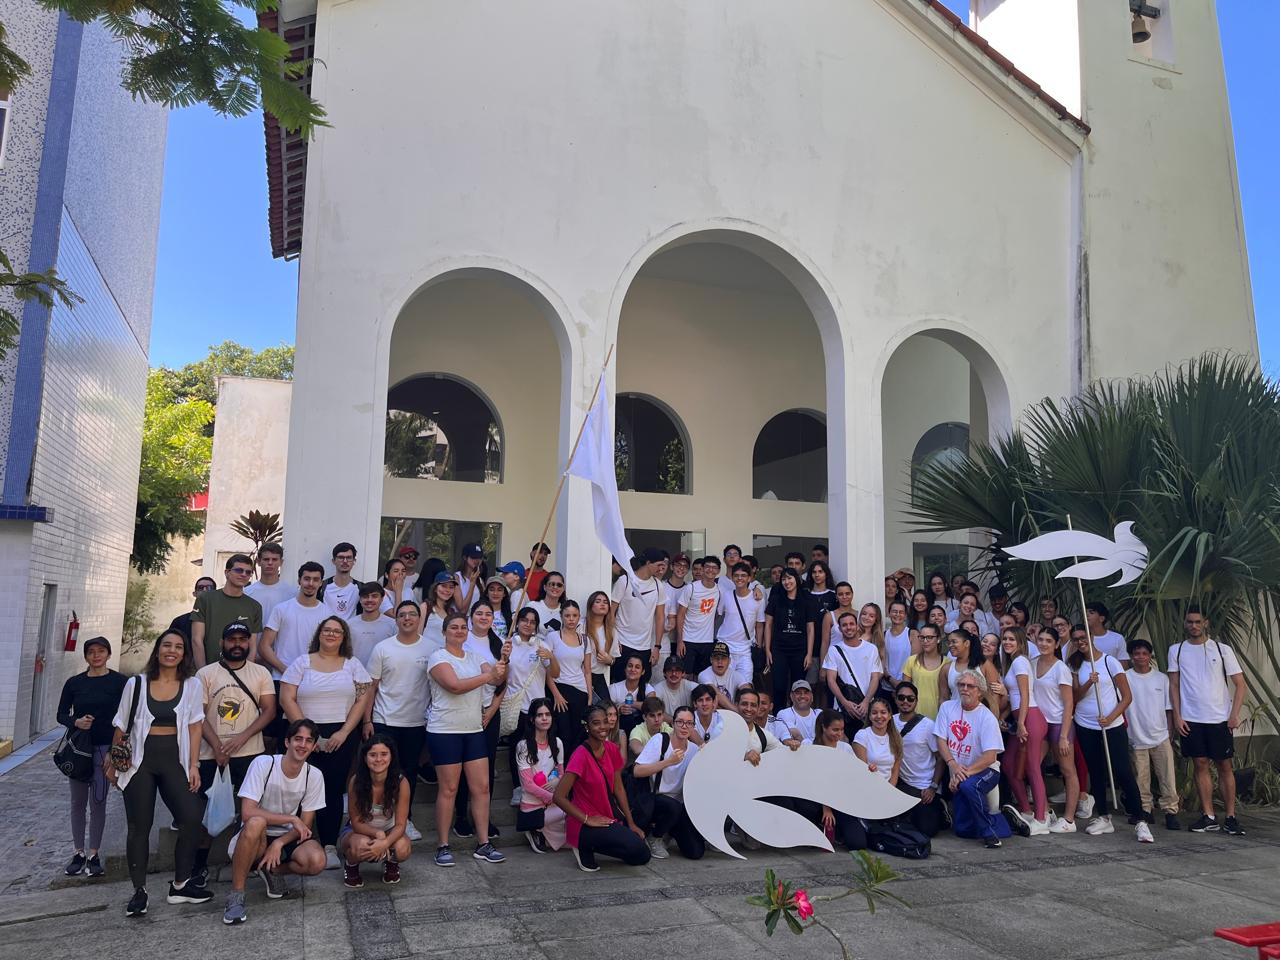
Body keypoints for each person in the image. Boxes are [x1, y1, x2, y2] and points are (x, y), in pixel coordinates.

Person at [109, 630, 211, 916]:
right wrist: (113, 763)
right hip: (139, 763)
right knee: (139, 826)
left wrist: (194, 765)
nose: (172, 651)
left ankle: (180, 884)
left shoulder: (192, 685)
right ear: (157, 650)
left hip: (174, 761)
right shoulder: (136, 684)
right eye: (167, 645)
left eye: (178, 647)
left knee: (191, 817)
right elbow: (121, 725)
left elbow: (195, 726)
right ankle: (139, 891)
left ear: (184, 654)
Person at [279, 616, 374, 867]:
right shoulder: (302, 662)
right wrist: (308, 736)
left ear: (344, 637)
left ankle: (329, 845)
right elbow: (286, 698)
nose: (331, 634)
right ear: (319, 634)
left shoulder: (353, 664)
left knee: (331, 790)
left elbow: (362, 700)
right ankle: (297, 844)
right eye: (327, 630)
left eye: (337, 631)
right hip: (303, 734)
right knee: (298, 790)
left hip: (340, 736)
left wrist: (344, 732)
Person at [193, 623, 276, 884]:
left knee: (250, 812)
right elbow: (198, 715)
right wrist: (218, 746)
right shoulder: (205, 674)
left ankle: (248, 861)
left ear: (249, 642)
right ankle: (198, 866)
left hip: (250, 753)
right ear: (222, 643)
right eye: (232, 639)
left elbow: (269, 711)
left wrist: (241, 738)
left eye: (242, 639)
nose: (237, 644)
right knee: (206, 813)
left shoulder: (260, 673)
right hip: (211, 755)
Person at [221, 720, 326, 923]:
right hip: (255, 834)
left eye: (308, 741)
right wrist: (291, 818)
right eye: (298, 739)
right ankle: (236, 895)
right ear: (287, 742)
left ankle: (270, 870)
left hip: (285, 836)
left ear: (314, 746)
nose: (302, 745)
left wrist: (278, 843)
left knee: (317, 860)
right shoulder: (264, 764)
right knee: (256, 822)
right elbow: (247, 812)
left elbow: (305, 824)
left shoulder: (314, 775)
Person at [427, 613, 508, 866]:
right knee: (449, 789)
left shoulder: (475, 657)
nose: (459, 631)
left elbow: (497, 680)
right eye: (454, 627)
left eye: (463, 627)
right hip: (445, 731)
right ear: (444, 632)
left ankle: (483, 843)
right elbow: (454, 686)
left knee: (482, 788)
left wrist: (504, 661)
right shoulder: (438, 657)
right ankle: (442, 845)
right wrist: (489, 676)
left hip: (473, 729)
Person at [1167, 606, 1246, 835]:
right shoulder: (1176, 650)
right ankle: (1208, 816)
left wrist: (1234, 714)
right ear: (1185, 624)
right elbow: (1174, 684)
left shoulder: (1221, 649)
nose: (1194, 626)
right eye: (1190, 622)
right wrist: (1178, 715)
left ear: (1206, 623)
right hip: (1191, 719)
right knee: (1200, 764)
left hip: (1220, 718)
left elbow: (1240, 684)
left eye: (1198, 621)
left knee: (1224, 765)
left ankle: (1230, 817)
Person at [1068, 627, 1150, 842]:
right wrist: (1089, 682)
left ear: (1091, 637)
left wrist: (1111, 717)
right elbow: (1074, 696)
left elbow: (1127, 696)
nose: (1080, 642)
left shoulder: (1109, 662)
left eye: (1083, 637)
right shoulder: (1075, 664)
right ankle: (1104, 817)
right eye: (1076, 639)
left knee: (1123, 770)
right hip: (1085, 724)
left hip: (1112, 725)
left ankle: (1140, 820)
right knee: (1096, 771)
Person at [57, 635, 128, 877]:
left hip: (105, 749)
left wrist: (115, 751)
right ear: (86, 656)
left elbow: (127, 717)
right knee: (77, 802)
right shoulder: (74, 683)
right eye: (91, 652)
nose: (96, 656)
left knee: (98, 802)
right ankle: (78, 852)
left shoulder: (120, 682)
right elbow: (61, 714)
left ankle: (94, 854)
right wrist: (76, 721)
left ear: (108, 654)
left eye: (101, 651)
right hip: (80, 750)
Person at [363, 600, 433, 843]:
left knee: (409, 772)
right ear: (396, 620)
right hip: (385, 719)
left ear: (419, 619)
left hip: (416, 722)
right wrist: (367, 720)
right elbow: (371, 687)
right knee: (381, 772)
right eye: (402, 615)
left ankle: (405, 819)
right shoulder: (383, 648)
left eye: (412, 614)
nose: (407, 618)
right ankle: (378, 818)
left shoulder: (431, 649)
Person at [553, 704, 651, 872]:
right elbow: (558, 796)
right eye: (596, 723)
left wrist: (631, 823)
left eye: (605, 721)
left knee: (640, 855)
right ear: (587, 726)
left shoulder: (611, 749)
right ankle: (583, 844)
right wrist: (587, 819)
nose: (603, 727)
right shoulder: (580, 755)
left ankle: (590, 846)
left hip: (607, 817)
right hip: (584, 823)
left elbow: (618, 789)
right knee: (639, 851)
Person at [934, 669, 1011, 849]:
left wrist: (962, 774)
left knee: (970, 786)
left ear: (980, 692)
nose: (965, 689)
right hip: (959, 771)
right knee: (962, 830)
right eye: (961, 685)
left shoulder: (987, 717)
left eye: (970, 686)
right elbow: (941, 740)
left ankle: (989, 833)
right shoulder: (947, 708)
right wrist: (953, 765)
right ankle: (1004, 822)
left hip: (986, 770)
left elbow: (990, 756)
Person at [454, 600, 507, 840]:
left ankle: (483, 817)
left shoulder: (499, 644)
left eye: (488, 614)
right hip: (465, 710)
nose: (484, 617)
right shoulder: (462, 640)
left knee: (487, 766)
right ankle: (461, 816)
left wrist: (492, 711)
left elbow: (503, 681)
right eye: (479, 613)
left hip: (489, 712)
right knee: (463, 765)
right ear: (471, 616)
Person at [339, 734, 412, 889]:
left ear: (392, 757)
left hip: (390, 829)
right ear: (365, 758)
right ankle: (351, 864)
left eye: (384, 754)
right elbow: (356, 822)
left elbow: (401, 825)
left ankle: (391, 863)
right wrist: (378, 834)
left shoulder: (401, 782)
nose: (378, 759)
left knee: (402, 848)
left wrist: (385, 842)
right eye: (373, 755)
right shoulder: (356, 781)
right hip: (358, 831)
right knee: (361, 845)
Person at [632, 705, 704, 860]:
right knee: (672, 806)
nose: (684, 726)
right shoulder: (660, 740)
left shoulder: (694, 749)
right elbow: (637, 771)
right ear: (673, 723)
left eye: (689, 723)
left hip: (680, 804)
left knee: (696, 851)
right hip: (656, 800)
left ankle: (669, 831)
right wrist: (668, 761)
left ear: (693, 727)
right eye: (680, 722)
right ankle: (655, 836)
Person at [1125, 638, 1181, 832]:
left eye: (1144, 653)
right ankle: (1145, 810)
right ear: (1131, 656)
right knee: (1141, 777)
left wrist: (1170, 731)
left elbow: (1169, 708)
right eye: (1136, 654)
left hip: (1160, 735)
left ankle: (1171, 811)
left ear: (1150, 656)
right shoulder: (1125, 678)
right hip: (1135, 735)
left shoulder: (1161, 679)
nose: (1140, 657)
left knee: (1167, 777)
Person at [505, 607, 559, 805]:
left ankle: (540, 786)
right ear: (517, 622)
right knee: (516, 748)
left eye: (532, 621)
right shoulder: (508, 644)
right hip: (516, 706)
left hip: (537, 707)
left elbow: (555, 673)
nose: (528, 624)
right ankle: (517, 788)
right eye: (524, 620)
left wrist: (551, 657)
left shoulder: (541, 645)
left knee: (538, 748)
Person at [998, 627, 1048, 836]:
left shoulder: (1020, 661)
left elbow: (1025, 695)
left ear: (1020, 642)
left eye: (1012, 639)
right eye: (1005, 639)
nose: (1007, 642)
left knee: (1032, 767)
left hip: (1030, 718)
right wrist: (1006, 716)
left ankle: (1041, 818)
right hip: (1021, 717)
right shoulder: (1013, 663)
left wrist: (1020, 723)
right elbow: (1015, 697)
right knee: (1008, 765)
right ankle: (1026, 810)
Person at [1032, 627, 1083, 833]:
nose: (1043, 644)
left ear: (1056, 644)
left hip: (1059, 724)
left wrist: (1063, 736)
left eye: (1048, 641)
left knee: (1067, 770)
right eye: (1041, 639)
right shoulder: (1032, 663)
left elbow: (1069, 702)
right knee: (1033, 766)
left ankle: (1069, 819)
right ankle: (1045, 810)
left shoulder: (1060, 668)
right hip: (1039, 724)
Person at [802, 710, 867, 850]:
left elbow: (856, 773)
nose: (839, 734)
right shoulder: (808, 744)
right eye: (835, 730)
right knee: (806, 806)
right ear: (823, 727)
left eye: (842, 730)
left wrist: (870, 769)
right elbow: (813, 778)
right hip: (815, 799)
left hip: (840, 800)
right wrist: (826, 808)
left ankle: (838, 831)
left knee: (858, 844)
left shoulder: (845, 748)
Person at [258, 562, 330, 685]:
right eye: (306, 579)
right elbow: (264, 646)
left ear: (321, 583)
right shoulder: (281, 609)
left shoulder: (327, 614)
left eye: (315, 580)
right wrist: (286, 671)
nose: (310, 583)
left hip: (313, 681)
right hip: (282, 678)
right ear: (299, 581)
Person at [892, 682, 945, 836]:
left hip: (924, 787)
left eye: (910, 698)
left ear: (916, 700)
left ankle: (941, 809)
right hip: (900, 785)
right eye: (901, 697)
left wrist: (933, 787)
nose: (905, 702)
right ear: (895, 699)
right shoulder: (889, 721)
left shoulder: (928, 725)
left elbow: (940, 758)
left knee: (928, 830)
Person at [190, 554, 263, 667]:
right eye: (239, 570)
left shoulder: (255, 606)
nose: (244, 574)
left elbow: (252, 646)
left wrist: (246, 673)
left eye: (248, 572)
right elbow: (197, 639)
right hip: (210, 669)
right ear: (227, 572)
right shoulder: (205, 599)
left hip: (240, 672)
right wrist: (202, 672)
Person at [515, 699, 567, 853]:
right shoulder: (523, 746)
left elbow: (562, 773)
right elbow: (528, 785)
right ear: (532, 719)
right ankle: (535, 829)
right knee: (571, 812)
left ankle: (542, 831)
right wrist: (553, 798)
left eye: (548, 714)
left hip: (552, 804)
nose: (544, 718)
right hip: (533, 806)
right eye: (540, 715)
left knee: (573, 828)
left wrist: (557, 780)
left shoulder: (557, 743)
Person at [823, 611, 882, 738]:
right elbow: (831, 680)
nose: (848, 627)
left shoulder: (871, 649)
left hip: (866, 708)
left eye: (851, 624)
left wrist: (866, 702)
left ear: (857, 626)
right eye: (844, 625)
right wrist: (845, 703)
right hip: (842, 709)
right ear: (840, 629)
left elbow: (875, 678)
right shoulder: (833, 650)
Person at [610, 552, 666, 686]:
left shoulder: (658, 585)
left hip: (644, 646)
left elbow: (660, 617)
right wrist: (614, 638)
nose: (661, 569)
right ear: (648, 563)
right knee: (618, 683)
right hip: (622, 643)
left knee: (642, 685)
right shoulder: (625, 580)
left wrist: (657, 647)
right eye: (658, 565)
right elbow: (611, 612)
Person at [764, 568, 814, 710]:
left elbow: (810, 629)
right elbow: (768, 625)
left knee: (798, 686)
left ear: (796, 579)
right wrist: (767, 650)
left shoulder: (806, 600)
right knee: (779, 686)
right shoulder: (776, 599)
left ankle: (797, 715)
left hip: (800, 650)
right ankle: (779, 715)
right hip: (779, 649)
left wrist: (809, 654)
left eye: (790, 578)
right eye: (784, 579)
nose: (787, 582)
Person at [548, 599, 590, 754]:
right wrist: (556, 695)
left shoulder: (585, 639)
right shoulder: (553, 637)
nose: (571, 619)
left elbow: (587, 671)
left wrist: (589, 697)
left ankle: (575, 767)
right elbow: (546, 669)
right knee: (562, 734)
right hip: (560, 689)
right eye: (567, 615)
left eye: (574, 615)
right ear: (561, 616)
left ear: (579, 617)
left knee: (578, 735)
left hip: (580, 691)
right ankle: (561, 766)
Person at [717, 562, 767, 691]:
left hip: (745, 650)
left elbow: (759, 625)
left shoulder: (758, 599)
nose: (740, 578)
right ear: (732, 577)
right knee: (725, 687)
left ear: (749, 578)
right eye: (736, 575)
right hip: (725, 647)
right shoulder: (726, 595)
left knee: (746, 686)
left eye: (743, 575)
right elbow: (718, 616)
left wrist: (758, 646)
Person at [677, 556, 721, 677]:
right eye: (707, 567)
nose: (710, 570)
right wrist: (680, 640)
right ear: (703, 569)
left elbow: (717, 614)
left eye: (714, 567)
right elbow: (680, 615)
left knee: (702, 676)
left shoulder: (719, 590)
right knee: (685, 676)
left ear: (718, 571)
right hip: (688, 640)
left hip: (707, 641)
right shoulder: (691, 588)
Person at [901, 623, 947, 720]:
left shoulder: (947, 663)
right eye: (922, 637)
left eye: (929, 637)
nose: (925, 641)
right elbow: (904, 691)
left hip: (938, 716)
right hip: (914, 717)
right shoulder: (911, 661)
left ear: (938, 639)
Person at [347, 581, 397, 665]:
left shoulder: (392, 625)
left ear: (382, 599)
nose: (369, 600)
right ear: (360, 599)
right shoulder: (349, 624)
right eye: (365, 596)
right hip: (354, 672)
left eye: (374, 596)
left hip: (383, 672)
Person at [853, 699, 902, 785]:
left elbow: (895, 770)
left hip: (888, 788)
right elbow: (862, 770)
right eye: (874, 713)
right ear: (869, 716)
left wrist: (889, 790)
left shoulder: (895, 737)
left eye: (883, 712)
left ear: (890, 716)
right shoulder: (862, 735)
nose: (879, 716)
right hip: (867, 786)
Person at [608, 654, 656, 735]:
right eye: (630, 666)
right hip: (619, 728)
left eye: (637, 667)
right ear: (625, 669)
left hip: (642, 729)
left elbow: (653, 706)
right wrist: (618, 710)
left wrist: (630, 703)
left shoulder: (648, 688)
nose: (633, 669)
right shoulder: (614, 688)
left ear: (643, 671)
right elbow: (605, 710)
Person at [584, 589, 617, 703]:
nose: (602, 604)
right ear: (590, 605)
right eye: (598, 601)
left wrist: (609, 660)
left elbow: (613, 659)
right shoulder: (581, 626)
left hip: (598, 676)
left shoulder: (612, 631)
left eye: (605, 602)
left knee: (607, 709)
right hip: (579, 675)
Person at [319, 542, 362, 618]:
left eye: (349, 558)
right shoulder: (321, 587)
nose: (345, 561)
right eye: (341, 557)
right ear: (333, 561)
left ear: (354, 561)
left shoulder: (361, 588)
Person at [698, 641, 745, 709]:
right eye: (716, 658)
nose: (720, 662)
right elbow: (716, 694)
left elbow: (747, 689)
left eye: (723, 658)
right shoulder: (703, 675)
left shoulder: (736, 675)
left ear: (729, 661)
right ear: (711, 660)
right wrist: (737, 712)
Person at [883, 599, 918, 686]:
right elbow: (881, 663)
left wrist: (903, 684)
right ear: (889, 614)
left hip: (907, 685)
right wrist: (891, 680)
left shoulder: (913, 634)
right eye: (894, 611)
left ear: (905, 616)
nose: (898, 614)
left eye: (901, 612)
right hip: (887, 685)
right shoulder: (884, 635)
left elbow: (915, 663)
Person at [1086, 602, 1129, 667]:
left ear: (1101, 618)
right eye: (1085, 612)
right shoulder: (1081, 639)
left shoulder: (1117, 638)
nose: (1086, 615)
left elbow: (1123, 664)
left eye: (1091, 613)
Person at [530, 570, 567, 639]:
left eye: (559, 585)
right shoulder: (532, 606)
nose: (555, 587)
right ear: (545, 587)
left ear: (563, 589)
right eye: (552, 584)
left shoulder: (566, 610)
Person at [423, 571, 461, 638]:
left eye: (451, 587)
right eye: (444, 586)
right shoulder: (426, 607)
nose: (447, 590)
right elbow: (417, 634)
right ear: (435, 588)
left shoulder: (451, 612)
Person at [454, 542, 488, 613]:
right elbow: (462, 610)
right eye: (473, 557)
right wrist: (472, 584)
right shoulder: (457, 577)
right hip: (460, 618)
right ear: (465, 557)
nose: (477, 560)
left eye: (480, 557)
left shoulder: (480, 580)